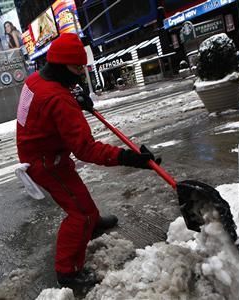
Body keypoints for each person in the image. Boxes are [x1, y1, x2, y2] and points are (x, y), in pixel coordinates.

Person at [16, 33, 161, 288]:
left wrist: (74, 98)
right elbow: (86, 150)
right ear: (61, 66)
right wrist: (129, 157)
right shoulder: (59, 100)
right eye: (76, 69)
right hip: (46, 164)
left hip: (41, 153)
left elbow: (41, 110)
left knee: (82, 204)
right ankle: (67, 272)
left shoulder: (35, 80)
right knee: (79, 213)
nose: (80, 75)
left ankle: (91, 224)